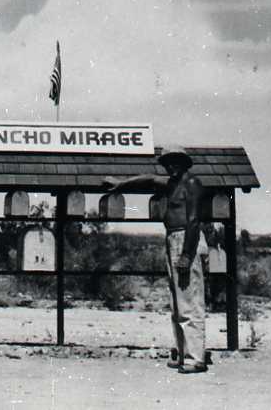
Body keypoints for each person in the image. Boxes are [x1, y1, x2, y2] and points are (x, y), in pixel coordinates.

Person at [104, 144, 208, 374]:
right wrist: (121, 184)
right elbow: (149, 180)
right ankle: (184, 354)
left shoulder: (191, 183)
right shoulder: (171, 183)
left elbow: (193, 221)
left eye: (175, 161)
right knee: (177, 302)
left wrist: (186, 255)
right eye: (168, 162)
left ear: (184, 162)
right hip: (172, 238)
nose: (171, 166)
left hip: (186, 240)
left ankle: (196, 358)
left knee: (189, 300)